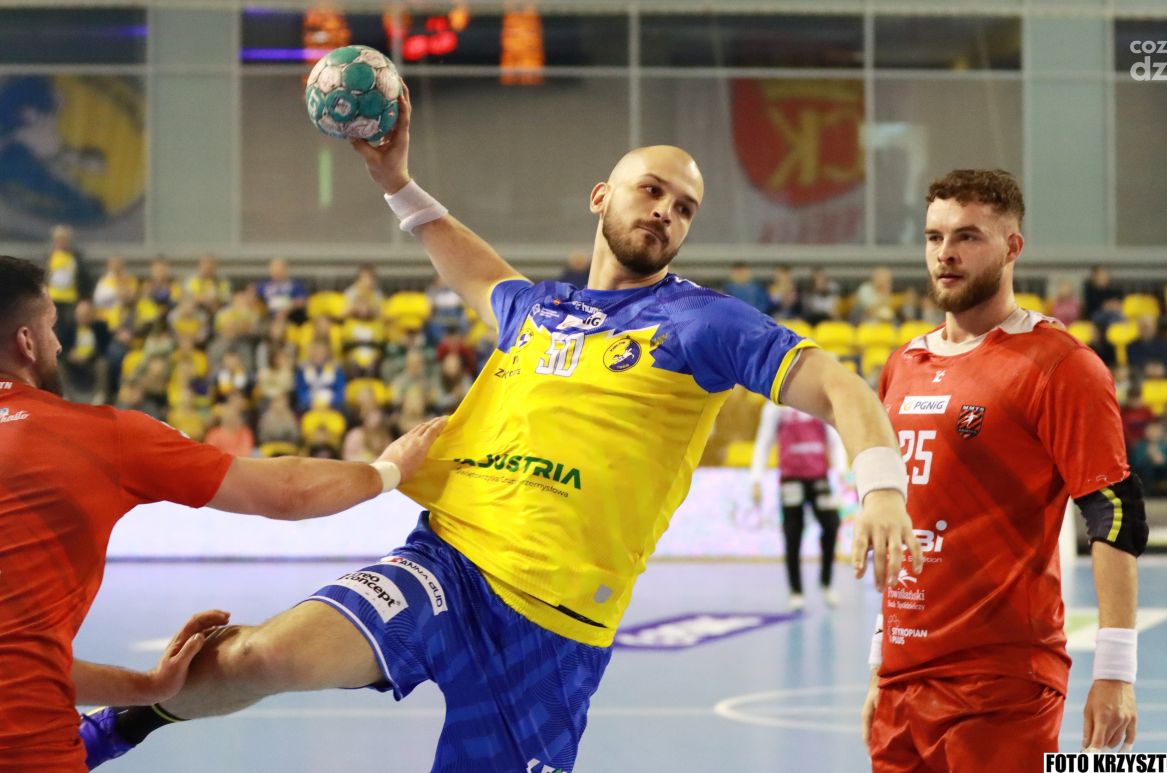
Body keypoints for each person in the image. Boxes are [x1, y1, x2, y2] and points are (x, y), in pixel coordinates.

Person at [82, 86, 921, 772]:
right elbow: (469, 263)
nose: (665, 211)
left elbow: (840, 384)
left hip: (554, 629)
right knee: (256, 655)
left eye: (684, 207)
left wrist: (881, 489)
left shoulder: (702, 322)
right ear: (602, 196)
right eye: (651, 190)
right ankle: (98, 737)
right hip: (446, 561)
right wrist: (395, 182)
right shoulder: (538, 308)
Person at [0, 255, 445, 771]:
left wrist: (148, 689)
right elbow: (286, 492)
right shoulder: (98, 436)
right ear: (27, 341)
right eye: (53, 327)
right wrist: (389, 470)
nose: (58, 344)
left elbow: (20, 650)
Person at [861, 170, 1148, 771]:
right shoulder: (902, 365)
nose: (945, 253)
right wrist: (879, 661)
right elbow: (905, 522)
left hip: (1001, 684)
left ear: (1013, 247)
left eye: (967, 236)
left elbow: (1115, 511)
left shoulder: (1060, 364)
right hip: (901, 682)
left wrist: (1116, 670)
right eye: (934, 236)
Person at [750, 400, 846, 611]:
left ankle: (826, 582)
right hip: (790, 479)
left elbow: (834, 438)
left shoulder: (817, 401)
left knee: (831, 525)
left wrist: (841, 470)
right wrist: (756, 478)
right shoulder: (775, 407)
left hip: (818, 477)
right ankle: (796, 591)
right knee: (792, 534)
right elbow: (764, 442)